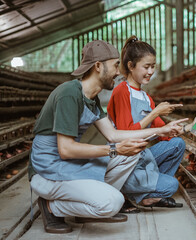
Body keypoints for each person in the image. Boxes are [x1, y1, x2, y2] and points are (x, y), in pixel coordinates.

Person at [28, 40, 186, 234]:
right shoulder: (69, 93)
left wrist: (161, 131)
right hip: (47, 170)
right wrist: (114, 150)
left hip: (67, 164)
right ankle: (52, 207)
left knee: (131, 153)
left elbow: (114, 135)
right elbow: (66, 149)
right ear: (97, 66)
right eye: (115, 65)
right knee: (112, 203)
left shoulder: (92, 99)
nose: (118, 72)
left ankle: (86, 205)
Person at [107, 36, 196, 213]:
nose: (151, 72)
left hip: (141, 157)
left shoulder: (145, 97)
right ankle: (130, 191)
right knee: (171, 186)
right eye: (146, 66)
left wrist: (190, 127)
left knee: (177, 144)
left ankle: (146, 192)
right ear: (130, 66)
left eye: (153, 67)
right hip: (124, 162)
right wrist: (154, 113)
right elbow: (124, 134)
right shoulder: (122, 91)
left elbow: (164, 134)